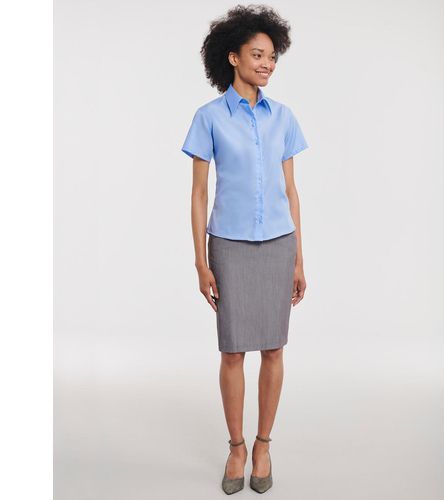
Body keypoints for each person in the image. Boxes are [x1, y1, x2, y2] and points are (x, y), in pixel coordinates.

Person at [181, 5, 308, 495]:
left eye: (272, 56)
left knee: (274, 348)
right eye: (258, 55)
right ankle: (236, 447)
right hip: (229, 246)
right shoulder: (209, 118)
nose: (267, 64)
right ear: (232, 57)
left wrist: (299, 258)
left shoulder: (284, 118)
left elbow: (291, 191)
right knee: (232, 350)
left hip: (278, 244)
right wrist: (200, 261)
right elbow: (199, 194)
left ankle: (263, 444)